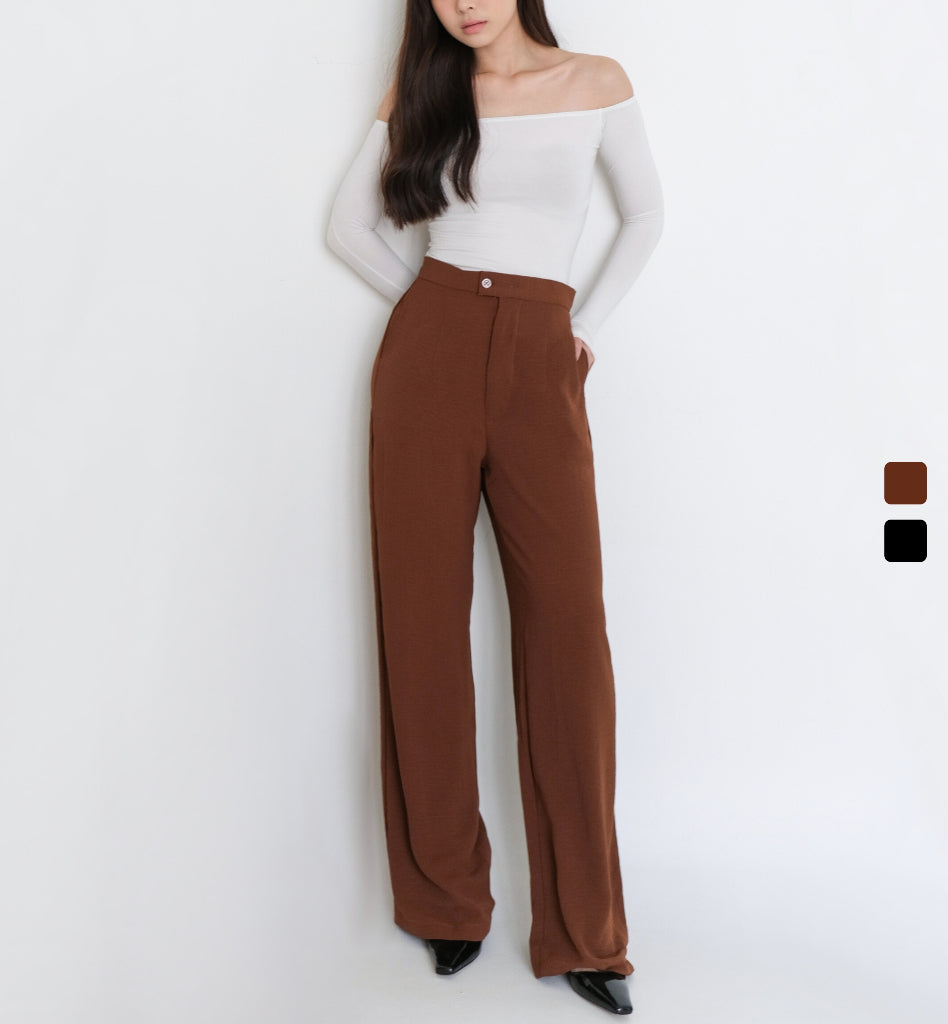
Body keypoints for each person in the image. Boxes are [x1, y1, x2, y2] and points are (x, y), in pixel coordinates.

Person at [326, 0, 664, 1014]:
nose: (463, 3)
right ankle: (445, 901)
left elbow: (646, 214)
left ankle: (586, 931)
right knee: (422, 626)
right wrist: (431, 312)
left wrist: (583, 327)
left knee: (569, 636)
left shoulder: (592, 81)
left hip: (541, 351)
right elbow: (347, 224)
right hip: (427, 349)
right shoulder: (426, 89)